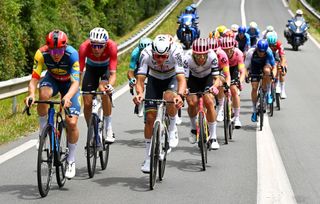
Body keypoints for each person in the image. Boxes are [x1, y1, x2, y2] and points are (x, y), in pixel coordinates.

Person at [25, 30, 81, 179]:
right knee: (43, 95)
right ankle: (43, 132)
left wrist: (68, 97)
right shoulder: (41, 54)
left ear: (65, 47)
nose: (56, 54)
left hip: (69, 85)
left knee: (72, 122)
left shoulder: (72, 54)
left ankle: (71, 160)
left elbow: (76, 82)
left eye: (59, 50)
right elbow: (34, 79)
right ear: (48, 48)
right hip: (52, 80)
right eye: (53, 50)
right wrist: (31, 94)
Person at [133, 34, 186, 173]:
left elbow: (181, 79)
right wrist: (139, 94)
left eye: (164, 57)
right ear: (152, 52)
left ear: (169, 52)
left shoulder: (177, 52)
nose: (161, 59)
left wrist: (180, 96)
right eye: (157, 56)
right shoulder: (146, 54)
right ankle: (148, 157)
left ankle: (173, 128)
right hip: (154, 79)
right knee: (150, 118)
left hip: (171, 78)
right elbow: (140, 80)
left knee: (170, 97)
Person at [79, 27, 117, 143]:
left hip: (105, 69)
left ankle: (108, 127)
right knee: (87, 102)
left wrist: (110, 85)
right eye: (94, 45)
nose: (96, 49)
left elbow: (113, 73)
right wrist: (76, 88)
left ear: (105, 44)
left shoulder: (112, 46)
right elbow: (79, 72)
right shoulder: (84, 47)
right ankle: (91, 129)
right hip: (91, 70)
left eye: (100, 46)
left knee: (103, 90)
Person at [183, 38, 220, 149]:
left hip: (207, 78)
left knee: (209, 101)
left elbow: (216, 78)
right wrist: (184, 90)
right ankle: (194, 128)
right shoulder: (187, 58)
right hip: (192, 78)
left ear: (207, 53)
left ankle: (213, 137)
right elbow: (184, 79)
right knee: (191, 102)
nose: (201, 58)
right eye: (198, 56)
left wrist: (214, 87)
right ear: (193, 53)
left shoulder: (213, 56)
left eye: (204, 55)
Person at [245, 39, 276, 122]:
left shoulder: (269, 52)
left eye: (263, 52)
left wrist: (273, 75)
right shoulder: (251, 52)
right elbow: (245, 67)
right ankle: (254, 111)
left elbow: (274, 66)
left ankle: (268, 92)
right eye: (260, 51)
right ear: (257, 48)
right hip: (254, 67)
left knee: (267, 72)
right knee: (254, 87)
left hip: (265, 64)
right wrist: (246, 75)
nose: (261, 53)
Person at [266, 32, 288, 99]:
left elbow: (283, 57)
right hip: (268, 56)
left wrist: (282, 65)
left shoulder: (279, 44)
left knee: (282, 71)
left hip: (277, 56)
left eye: (273, 45)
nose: (272, 47)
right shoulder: (265, 44)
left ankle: (282, 90)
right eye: (270, 45)